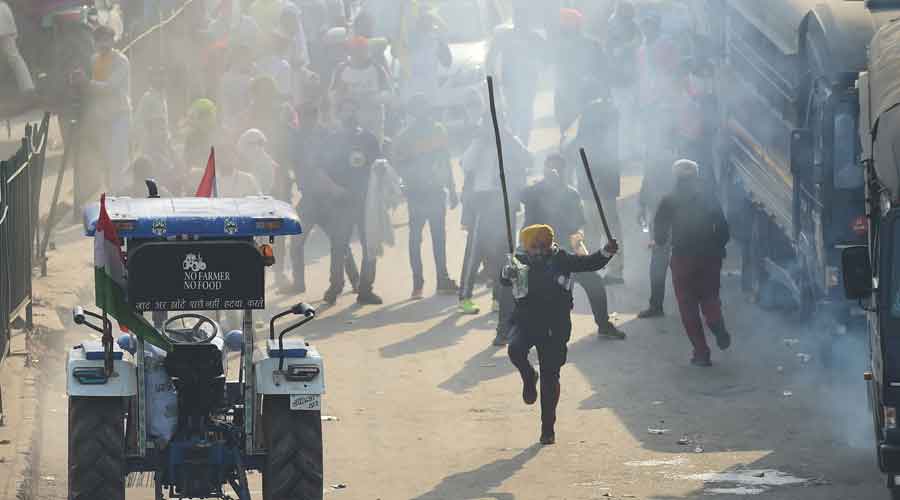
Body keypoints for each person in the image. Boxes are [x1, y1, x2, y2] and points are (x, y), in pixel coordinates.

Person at [506, 223, 618, 445]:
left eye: (542, 247)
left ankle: (548, 428)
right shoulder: (518, 260)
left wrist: (607, 251)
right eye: (533, 247)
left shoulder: (561, 258)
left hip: (555, 325)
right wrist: (506, 273)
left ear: (549, 245)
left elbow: (589, 263)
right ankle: (529, 377)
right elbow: (503, 279)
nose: (538, 252)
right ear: (526, 247)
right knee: (515, 351)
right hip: (526, 321)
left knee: (550, 375)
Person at [519, 154, 625, 340]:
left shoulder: (570, 194)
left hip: (564, 252)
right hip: (536, 254)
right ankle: (508, 330)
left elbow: (576, 225)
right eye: (548, 169)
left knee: (595, 283)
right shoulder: (533, 192)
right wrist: (542, 186)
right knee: (522, 289)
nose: (552, 174)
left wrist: (579, 246)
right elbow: (522, 196)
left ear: (563, 173)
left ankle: (603, 324)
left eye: (556, 170)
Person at [652, 159, 730, 366]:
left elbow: (659, 234)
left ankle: (701, 353)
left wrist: (661, 242)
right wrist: (718, 247)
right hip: (710, 257)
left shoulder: (669, 200)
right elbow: (723, 228)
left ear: (675, 177)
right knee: (710, 297)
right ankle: (717, 325)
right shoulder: (709, 197)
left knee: (688, 306)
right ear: (696, 175)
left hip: (683, 258)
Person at [457, 112, 529, 315]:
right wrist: (480, 141)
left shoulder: (510, 141)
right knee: (475, 251)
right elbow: (466, 164)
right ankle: (465, 298)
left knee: (505, 253)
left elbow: (528, 158)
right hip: (484, 202)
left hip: (506, 202)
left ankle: (499, 298)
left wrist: (509, 138)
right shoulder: (478, 142)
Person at [316, 98, 384, 305]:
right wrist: (334, 189)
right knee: (338, 245)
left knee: (369, 245)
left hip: (366, 201)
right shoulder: (332, 139)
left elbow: (379, 166)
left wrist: (379, 192)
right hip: (341, 200)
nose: (349, 115)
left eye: (352, 110)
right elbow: (320, 170)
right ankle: (335, 286)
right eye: (345, 111)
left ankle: (366, 289)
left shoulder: (369, 138)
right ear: (339, 115)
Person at [289, 101, 360, 294]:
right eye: (301, 117)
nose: (304, 121)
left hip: (326, 198)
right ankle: (299, 284)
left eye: (307, 117)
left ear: (315, 117)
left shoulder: (327, 137)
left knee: (339, 242)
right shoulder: (297, 138)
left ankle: (355, 281)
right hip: (311, 198)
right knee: (297, 242)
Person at [393, 94, 459, 299]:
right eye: (418, 108)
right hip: (418, 193)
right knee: (416, 239)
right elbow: (398, 165)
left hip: (434, 191)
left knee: (437, 237)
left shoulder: (438, 130)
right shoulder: (405, 136)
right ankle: (418, 283)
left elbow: (446, 160)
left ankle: (441, 279)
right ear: (414, 112)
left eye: (424, 108)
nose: (423, 113)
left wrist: (452, 188)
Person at [563, 98, 624, 284]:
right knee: (609, 229)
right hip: (603, 191)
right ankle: (613, 270)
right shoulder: (611, 137)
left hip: (594, 191)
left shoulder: (586, 137)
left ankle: (593, 269)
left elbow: (569, 152)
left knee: (593, 230)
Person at [76, 25, 132, 195]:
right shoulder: (93, 60)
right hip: (101, 118)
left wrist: (86, 83)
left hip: (120, 115)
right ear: (95, 42)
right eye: (100, 40)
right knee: (106, 160)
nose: (103, 44)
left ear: (113, 40)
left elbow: (110, 87)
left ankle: (119, 196)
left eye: (106, 39)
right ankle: (112, 194)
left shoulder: (121, 61)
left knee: (118, 159)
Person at [487, 7, 546, 146]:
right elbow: (491, 55)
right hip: (511, 82)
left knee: (525, 110)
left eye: (525, 18)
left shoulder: (534, 38)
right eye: (520, 18)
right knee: (514, 111)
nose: (523, 22)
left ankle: (523, 142)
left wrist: (541, 69)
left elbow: (548, 56)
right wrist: (492, 74)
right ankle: (515, 141)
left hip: (528, 82)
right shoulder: (506, 36)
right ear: (516, 20)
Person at [553, 8, 607, 136]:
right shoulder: (560, 46)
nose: (564, 28)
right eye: (563, 24)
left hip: (586, 95)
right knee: (567, 132)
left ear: (576, 26)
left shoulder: (592, 45)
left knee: (587, 133)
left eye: (567, 24)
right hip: (566, 95)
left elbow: (602, 69)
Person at [330, 35, 391, 144]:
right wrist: (339, 94)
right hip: (348, 121)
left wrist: (374, 98)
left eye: (362, 50)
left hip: (372, 121)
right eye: (355, 50)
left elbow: (389, 94)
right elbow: (332, 95)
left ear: (367, 51)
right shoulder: (341, 69)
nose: (358, 54)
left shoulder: (377, 69)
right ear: (350, 52)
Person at [0, 1, 34, 96]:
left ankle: (28, 89)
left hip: (2, 13)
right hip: (3, 12)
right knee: (14, 56)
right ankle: (28, 88)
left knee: (13, 56)